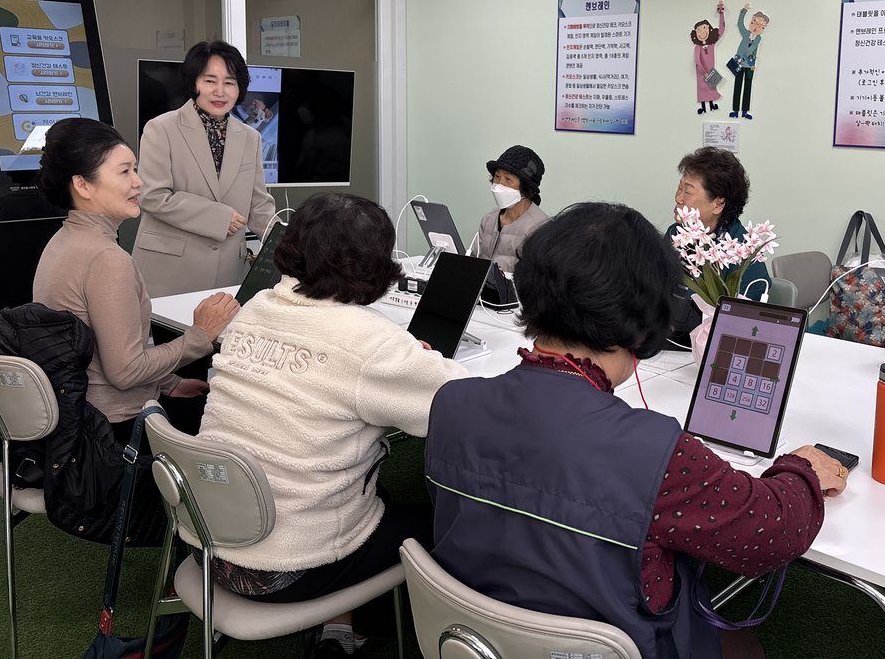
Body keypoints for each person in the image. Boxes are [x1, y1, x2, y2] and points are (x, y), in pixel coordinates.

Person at [426, 202, 843, 659]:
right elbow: (772, 533)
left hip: (474, 639)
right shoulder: (655, 453)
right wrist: (802, 469)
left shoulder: (451, 404)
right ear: (645, 319)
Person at [196, 193, 467, 658]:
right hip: (291, 567)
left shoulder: (256, 307)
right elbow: (462, 404)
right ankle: (376, 629)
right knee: (442, 522)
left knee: (355, 489)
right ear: (376, 265)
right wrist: (418, 362)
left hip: (207, 544)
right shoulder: (369, 342)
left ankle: (339, 627)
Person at [32, 118, 238, 442]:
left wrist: (169, 383)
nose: (138, 182)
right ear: (83, 185)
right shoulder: (107, 259)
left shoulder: (61, 242)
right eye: (124, 172)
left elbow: (105, 352)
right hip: (115, 431)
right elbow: (126, 371)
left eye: (136, 170)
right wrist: (201, 334)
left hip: (78, 418)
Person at [132, 40, 276, 297]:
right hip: (169, 274)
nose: (220, 91)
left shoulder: (250, 137)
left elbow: (258, 205)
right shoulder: (161, 128)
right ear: (194, 83)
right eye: (210, 81)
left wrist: (292, 245)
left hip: (227, 274)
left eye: (229, 83)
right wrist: (218, 217)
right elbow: (152, 196)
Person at [664, 147, 771, 347]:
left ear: (718, 203)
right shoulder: (676, 233)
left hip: (715, 348)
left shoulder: (743, 251)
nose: (678, 198)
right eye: (679, 188)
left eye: (688, 191)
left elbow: (743, 324)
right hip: (669, 343)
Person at [475, 144, 548, 274]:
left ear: (525, 187)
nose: (499, 184)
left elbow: (539, 279)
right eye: (497, 177)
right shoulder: (488, 219)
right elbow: (474, 260)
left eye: (508, 179)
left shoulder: (540, 228)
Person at [726, 2, 769, 120]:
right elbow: (740, 23)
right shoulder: (745, 34)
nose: (756, 27)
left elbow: (752, 50)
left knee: (747, 87)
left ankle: (745, 111)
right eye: (754, 22)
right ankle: (735, 110)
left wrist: (745, 60)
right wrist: (744, 10)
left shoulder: (758, 38)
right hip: (739, 64)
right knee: (737, 86)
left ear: (764, 28)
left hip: (749, 65)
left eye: (761, 26)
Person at [691, 0, 725, 114]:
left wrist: (721, 12)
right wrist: (703, 71)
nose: (702, 32)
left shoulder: (711, 45)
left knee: (711, 88)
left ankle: (711, 105)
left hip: (710, 71)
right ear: (695, 34)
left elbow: (721, 30)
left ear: (710, 29)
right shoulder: (697, 47)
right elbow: (697, 60)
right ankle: (703, 107)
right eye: (698, 30)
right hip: (702, 72)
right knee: (702, 88)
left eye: (704, 28)